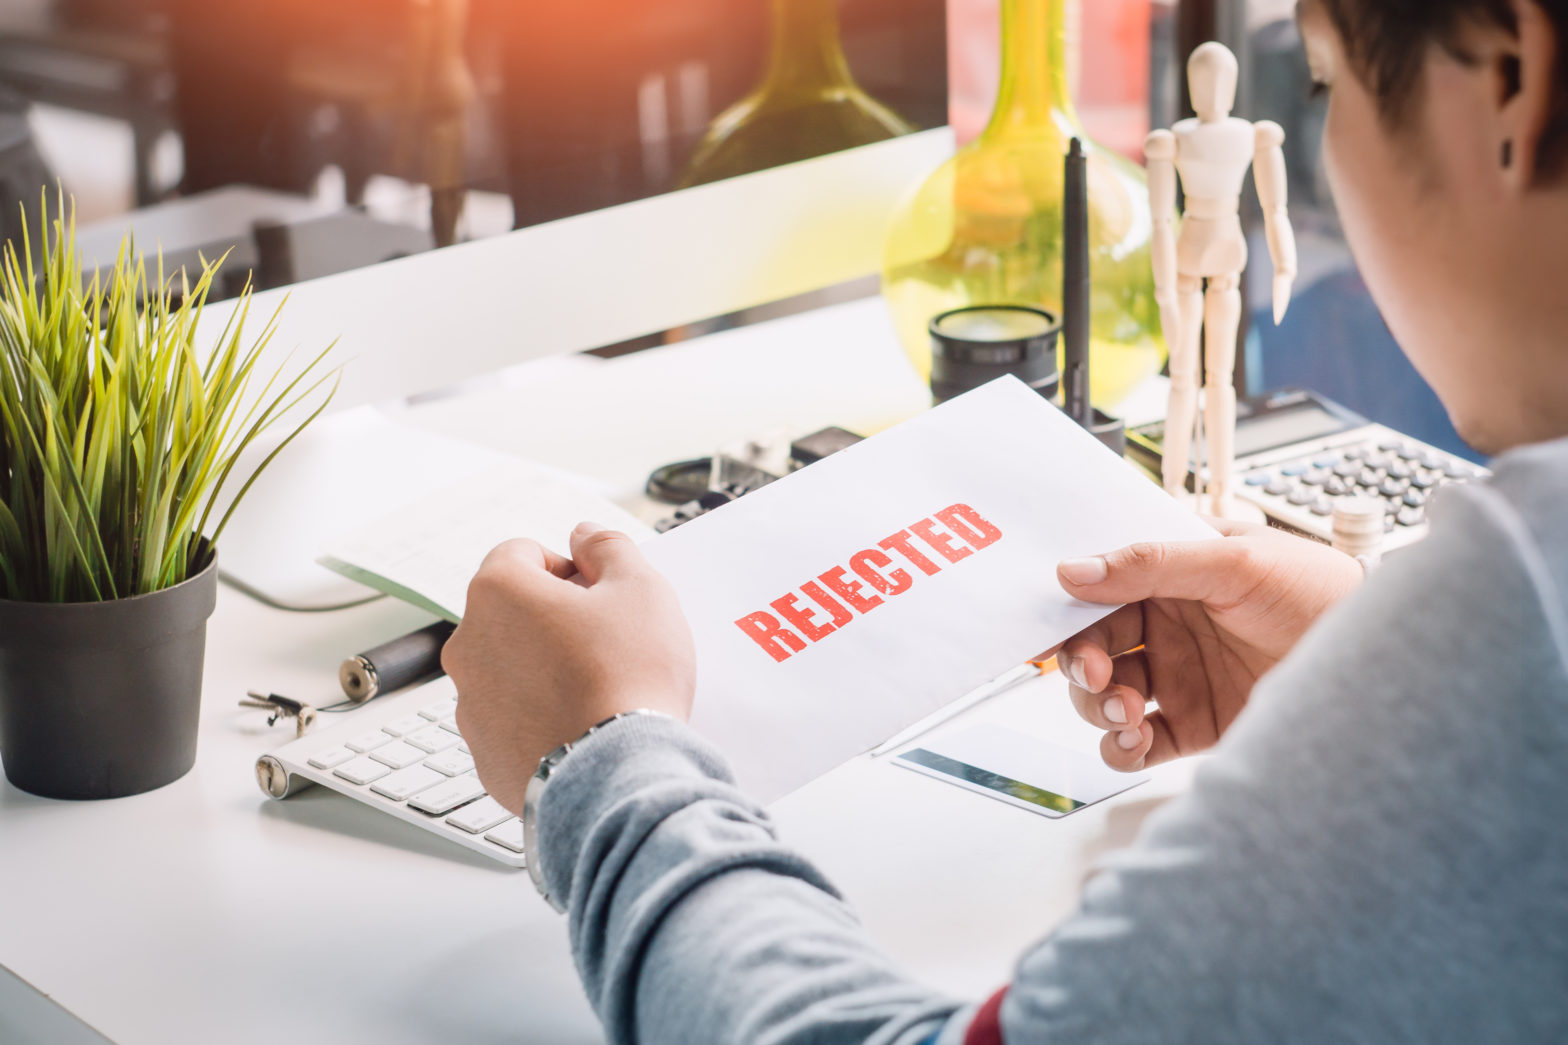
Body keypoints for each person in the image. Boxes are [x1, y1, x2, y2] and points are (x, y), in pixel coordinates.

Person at [443, 0, 1568, 1040]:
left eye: (1323, 85)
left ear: (1509, 77)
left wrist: (604, 761)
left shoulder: (1528, 591)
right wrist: (1364, 671)